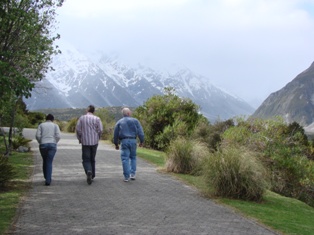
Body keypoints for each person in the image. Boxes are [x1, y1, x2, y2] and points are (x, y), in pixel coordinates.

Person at [113, 107, 144, 182]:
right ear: (129, 113)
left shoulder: (119, 122)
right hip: (133, 140)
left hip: (124, 141)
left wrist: (116, 144)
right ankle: (132, 174)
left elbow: (115, 134)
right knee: (133, 157)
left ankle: (126, 176)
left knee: (125, 159)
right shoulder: (135, 121)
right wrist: (141, 141)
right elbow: (140, 132)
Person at [76, 105, 103, 185]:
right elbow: (100, 130)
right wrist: (98, 137)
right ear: (94, 111)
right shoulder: (97, 118)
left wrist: (80, 138)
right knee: (92, 158)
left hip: (85, 141)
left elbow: (78, 129)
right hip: (94, 141)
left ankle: (88, 170)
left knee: (86, 159)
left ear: (87, 110)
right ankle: (93, 175)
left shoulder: (82, 118)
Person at [36, 114, 61, 186]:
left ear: (46, 119)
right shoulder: (55, 126)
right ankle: (48, 179)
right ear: (53, 119)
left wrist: (40, 141)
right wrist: (55, 142)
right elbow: (58, 136)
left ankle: (46, 176)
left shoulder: (41, 125)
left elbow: (38, 135)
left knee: (45, 160)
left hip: (43, 144)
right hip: (52, 144)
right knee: (49, 161)